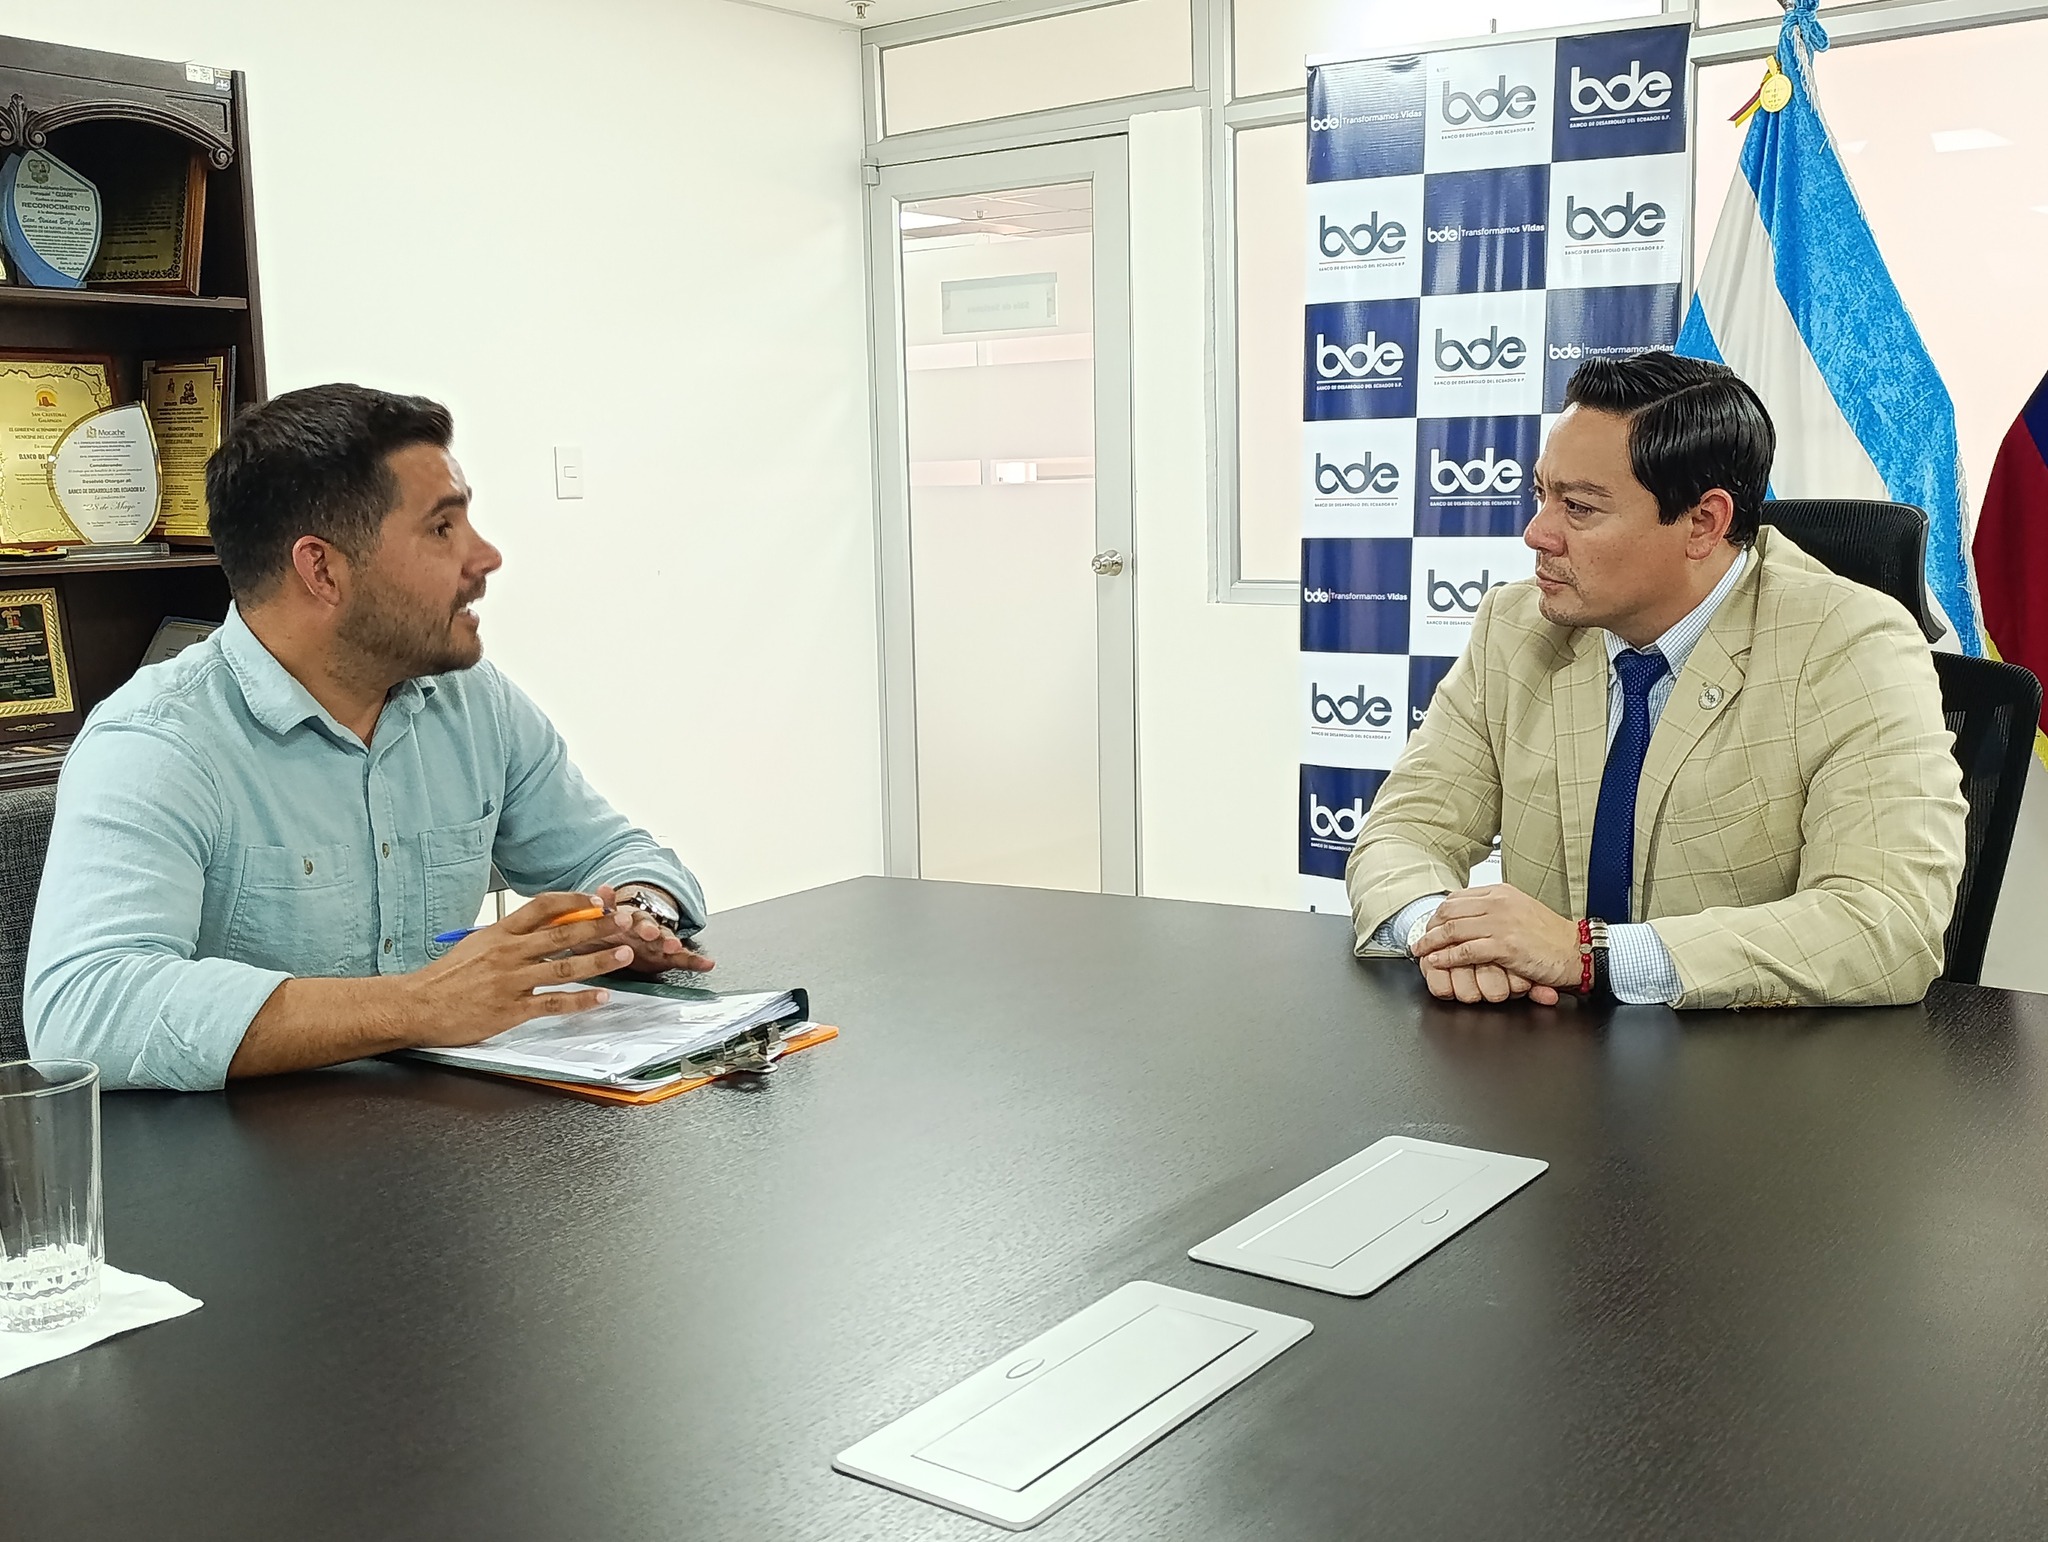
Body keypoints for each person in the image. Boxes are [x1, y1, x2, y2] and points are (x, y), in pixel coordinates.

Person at [26, 384, 709, 1090]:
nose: (486, 556)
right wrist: (419, 1006)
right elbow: (84, 1009)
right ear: (322, 570)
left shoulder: (472, 702)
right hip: (247, 1154)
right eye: (441, 529)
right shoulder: (155, 744)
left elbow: (609, 853)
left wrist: (637, 913)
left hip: (440, 1135)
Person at [1347, 351, 1967, 1009]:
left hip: (1750, 1059)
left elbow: (1886, 923)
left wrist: (1591, 956)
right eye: (1541, 494)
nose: (1537, 533)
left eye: (1578, 507)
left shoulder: (1850, 643)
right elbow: (1403, 831)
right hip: (1543, 1052)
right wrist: (1446, 935)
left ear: (1703, 523)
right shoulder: (1515, 625)